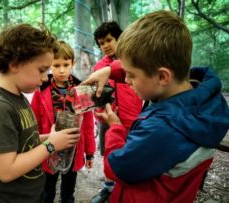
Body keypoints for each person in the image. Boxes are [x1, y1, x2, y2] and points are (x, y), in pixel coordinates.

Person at [82, 10, 229, 202]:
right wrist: (110, 70)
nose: (126, 80)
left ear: (162, 77)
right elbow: (147, 69)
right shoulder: (205, 98)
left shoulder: (161, 129)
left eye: (131, 75)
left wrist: (116, 128)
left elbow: (117, 168)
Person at [0, 24, 80, 203]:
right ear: (15, 64)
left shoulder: (18, 97)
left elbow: (23, 141)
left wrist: (50, 136)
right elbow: (6, 171)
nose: (46, 77)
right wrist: (51, 145)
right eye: (42, 70)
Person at [31, 40, 96, 203]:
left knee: (68, 192)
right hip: (49, 147)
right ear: (49, 66)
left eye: (66, 65)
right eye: (56, 65)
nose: (61, 70)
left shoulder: (82, 90)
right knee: (47, 191)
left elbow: (88, 123)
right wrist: (34, 148)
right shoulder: (41, 89)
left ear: (73, 63)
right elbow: (34, 120)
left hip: (73, 148)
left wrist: (89, 153)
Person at [91, 22, 142, 203]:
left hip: (131, 117)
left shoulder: (133, 61)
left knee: (131, 153)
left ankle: (128, 188)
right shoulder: (98, 66)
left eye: (108, 40)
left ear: (119, 39)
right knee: (109, 151)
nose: (105, 45)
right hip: (106, 116)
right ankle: (109, 189)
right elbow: (95, 92)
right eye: (101, 43)